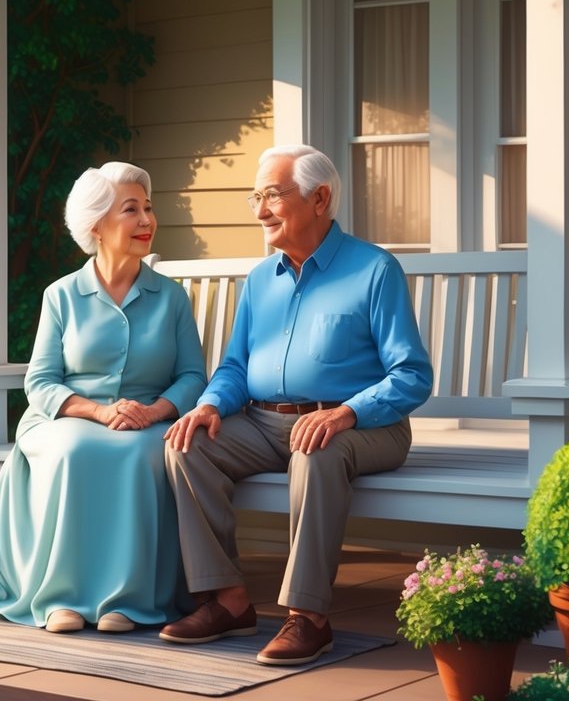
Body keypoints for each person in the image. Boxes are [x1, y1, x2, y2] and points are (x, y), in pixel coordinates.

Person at [159, 144, 433, 665]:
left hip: (362, 425)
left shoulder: (374, 270)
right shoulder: (262, 279)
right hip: (265, 423)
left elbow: (412, 375)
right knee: (187, 445)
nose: (261, 210)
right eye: (255, 197)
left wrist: (346, 412)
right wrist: (211, 404)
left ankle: (308, 617)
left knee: (317, 449)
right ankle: (228, 600)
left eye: (273, 196)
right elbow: (236, 366)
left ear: (320, 198)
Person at [0, 161, 206, 634]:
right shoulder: (61, 296)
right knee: (76, 451)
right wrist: (98, 410)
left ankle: (130, 601)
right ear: (97, 225)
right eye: (131, 210)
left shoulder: (171, 298)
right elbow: (41, 381)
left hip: (147, 420)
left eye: (149, 209)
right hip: (66, 417)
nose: (146, 221)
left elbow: (193, 376)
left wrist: (154, 411)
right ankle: (62, 597)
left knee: (144, 454)